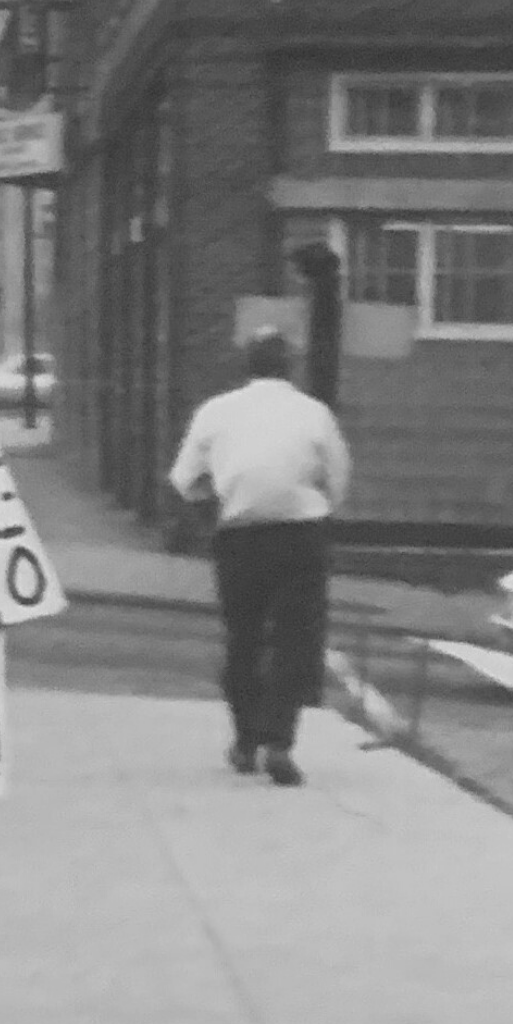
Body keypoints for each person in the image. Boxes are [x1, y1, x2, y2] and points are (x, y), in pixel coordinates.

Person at [167, 328, 352, 787]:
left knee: (243, 637)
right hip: (300, 534)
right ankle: (280, 743)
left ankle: (245, 740)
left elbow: (183, 478)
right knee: (296, 638)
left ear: (247, 365)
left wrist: (215, 500)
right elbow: (338, 478)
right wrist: (320, 506)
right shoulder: (314, 414)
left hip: (240, 535)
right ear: (290, 367)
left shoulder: (216, 411)